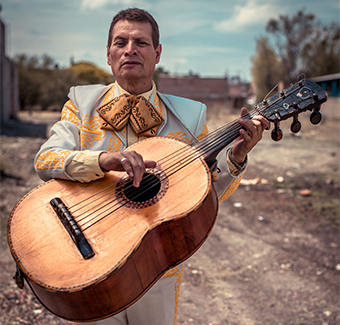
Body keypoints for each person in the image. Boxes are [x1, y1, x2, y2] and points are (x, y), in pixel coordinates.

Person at [34, 8, 269, 325]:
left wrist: (236, 156)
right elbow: (46, 159)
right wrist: (102, 161)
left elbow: (206, 191)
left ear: (157, 53)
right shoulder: (80, 103)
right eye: (121, 42)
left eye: (141, 42)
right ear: (108, 54)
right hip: (90, 262)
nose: (130, 49)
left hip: (156, 268)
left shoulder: (190, 118)